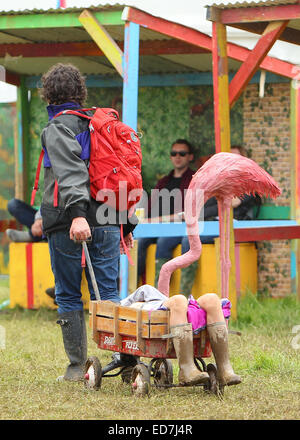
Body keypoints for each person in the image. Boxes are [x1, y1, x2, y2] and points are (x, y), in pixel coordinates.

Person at [39, 63, 136, 382]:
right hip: (109, 218)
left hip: (72, 221)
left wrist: (78, 214)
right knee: (107, 290)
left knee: (68, 293)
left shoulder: (58, 126)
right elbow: (117, 174)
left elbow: (72, 174)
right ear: (79, 92)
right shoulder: (97, 123)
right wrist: (127, 222)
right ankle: (127, 361)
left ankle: (77, 367)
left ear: (47, 95)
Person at [120, 285, 241, 387]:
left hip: (177, 306)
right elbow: (122, 306)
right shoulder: (142, 293)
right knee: (179, 300)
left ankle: (225, 370)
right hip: (154, 309)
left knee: (213, 299)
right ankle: (186, 369)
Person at [138, 139, 195, 279]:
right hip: (155, 225)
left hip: (178, 227)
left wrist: (152, 221)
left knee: (164, 241)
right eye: (174, 153)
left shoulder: (194, 180)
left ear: (190, 157)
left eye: (182, 153)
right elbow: (150, 206)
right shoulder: (164, 181)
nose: (177, 157)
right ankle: (130, 286)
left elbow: (185, 214)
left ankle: (160, 290)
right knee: (137, 241)